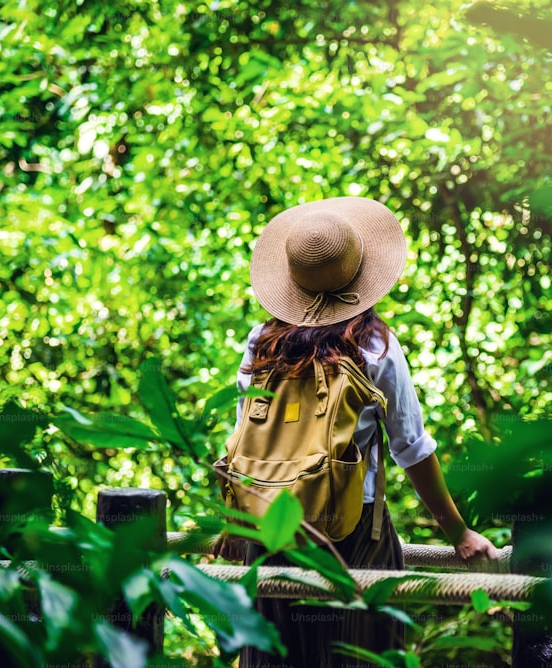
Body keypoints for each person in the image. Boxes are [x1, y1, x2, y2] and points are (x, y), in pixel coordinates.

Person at [218, 195, 498, 667]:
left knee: (272, 657)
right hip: (352, 533)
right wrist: (459, 534)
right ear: (360, 273)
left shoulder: (260, 343)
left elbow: (248, 437)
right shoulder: (376, 347)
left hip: (269, 531)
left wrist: (234, 527)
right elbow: (412, 449)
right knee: (359, 655)